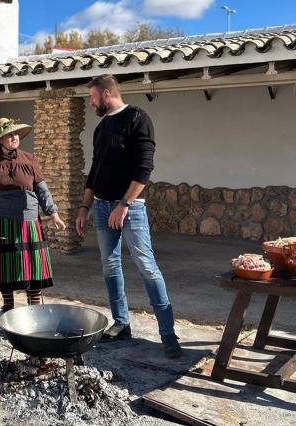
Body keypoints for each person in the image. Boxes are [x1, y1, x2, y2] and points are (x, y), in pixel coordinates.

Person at [76, 75, 182, 358]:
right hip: (100, 206)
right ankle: (121, 323)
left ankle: (168, 333)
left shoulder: (138, 119)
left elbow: (144, 168)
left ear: (107, 94)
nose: (91, 102)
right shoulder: (101, 129)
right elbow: (94, 170)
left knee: (146, 265)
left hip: (130, 208)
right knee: (110, 266)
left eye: (93, 97)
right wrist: (85, 207)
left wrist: (124, 204)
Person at [0, 118, 66, 313]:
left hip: (28, 222)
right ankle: (8, 305)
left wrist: (53, 213)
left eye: (15, 134)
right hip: (0, 220)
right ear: (0, 140)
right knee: (5, 265)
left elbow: (41, 189)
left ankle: (35, 307)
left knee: (32, 264)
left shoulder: (29, 159)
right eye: (8, 134)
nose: (14, 137)